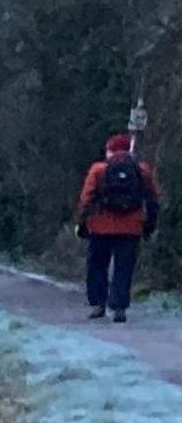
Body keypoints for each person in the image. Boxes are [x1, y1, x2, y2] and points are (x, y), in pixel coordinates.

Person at [79, 132, 160, 320]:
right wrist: (149, 224)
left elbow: (86, 198)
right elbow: (153, 198)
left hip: (100, 226)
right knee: (124, 268)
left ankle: (98, 304)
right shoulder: (142, 170)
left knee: (97, 265)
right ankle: (119, 308)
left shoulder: (98, 169)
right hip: (131, 227)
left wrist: (82, 222)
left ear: (110, 150)